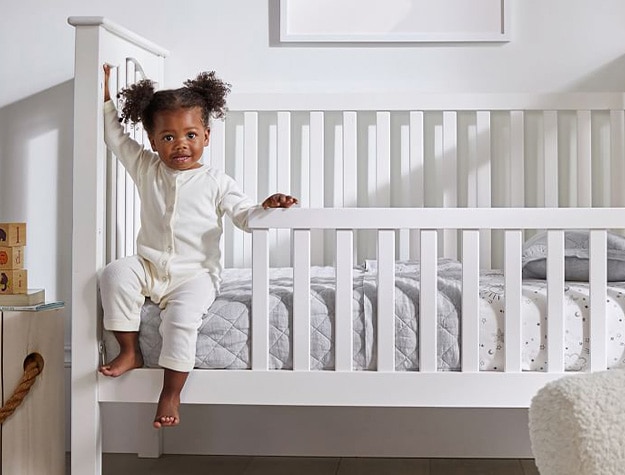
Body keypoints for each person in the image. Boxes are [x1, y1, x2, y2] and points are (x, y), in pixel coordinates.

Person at [99, 65, 297, 428]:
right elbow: (115, 139)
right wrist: (106, 95)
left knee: (180, 320)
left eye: (190, 134)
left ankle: (170, 392)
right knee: (114, 274)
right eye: (169, 137)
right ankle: (130, 351)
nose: (181, 144)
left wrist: (266, 207)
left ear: (206, 136)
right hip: (150, 265)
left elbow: (244, 215)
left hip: (196, 275)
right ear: (152, 139)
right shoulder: (145, 167)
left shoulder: (216, 181)